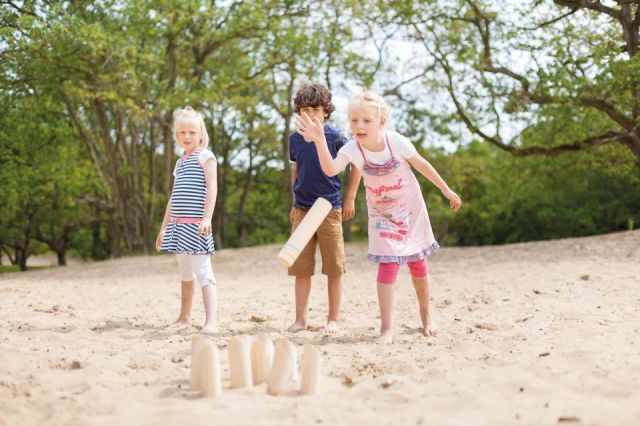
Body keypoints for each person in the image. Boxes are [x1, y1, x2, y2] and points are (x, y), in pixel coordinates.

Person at [296, 90, 462, 344]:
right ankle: (387, 328)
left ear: (381, 122)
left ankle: (426, 316)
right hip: (381, 212)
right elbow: (330, 169)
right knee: (388, 264)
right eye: (353, 120)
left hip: (409, 208)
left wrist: (445, 189)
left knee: (417, 263)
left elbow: (421, 164)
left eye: (366, 120)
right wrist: (319, 141)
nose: (359, 126)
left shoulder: (396, 142)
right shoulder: (352, 149)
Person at [287, 82, 361, 333]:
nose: (310, 115)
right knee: (301, 269)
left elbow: (356, 165)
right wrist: (293, 203)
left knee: (334, 268)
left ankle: (333, 319)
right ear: (298, 112)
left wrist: (350, 198)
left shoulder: (337, 137)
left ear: (326, 112)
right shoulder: (294, 139)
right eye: (305, 110)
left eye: (316, 110)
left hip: (330, 207)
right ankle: (300, 319)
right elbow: (296, 169)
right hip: (303, 208)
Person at [156, 107, 219, 334]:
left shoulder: (206, 156)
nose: (187, 136)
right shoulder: (180, 163)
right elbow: (173, 198)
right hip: (178, 226)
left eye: (192, 132)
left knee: (203, 271)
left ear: (200, 134)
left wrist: (207, 218)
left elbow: (212, 188)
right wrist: (164, 228)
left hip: (197, 225)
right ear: (177, 135)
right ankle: (184, 317)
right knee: (185, 272)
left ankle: (211, 321)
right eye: (182, 132)